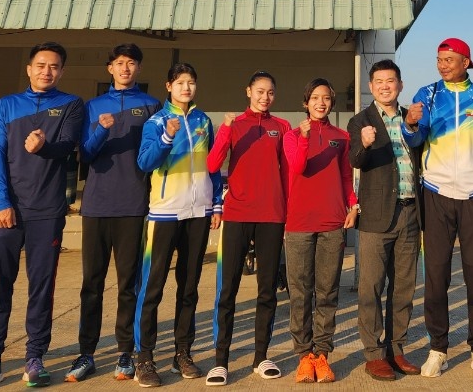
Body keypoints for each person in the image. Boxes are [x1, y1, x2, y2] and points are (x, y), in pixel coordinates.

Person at [0, 42, 85, 391]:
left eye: (54, 66)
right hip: (7, 210)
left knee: (41, 287)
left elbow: (67, 146)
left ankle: (35, 357)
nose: (47, 71)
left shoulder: (71, 104)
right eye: (41, 65)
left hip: (47, 211)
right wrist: (1, 201)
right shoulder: (7, 104)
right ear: (29, 69)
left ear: (61, 72)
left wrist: (43, 147)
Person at [64, 44, 161, 383]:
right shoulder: (92, 106)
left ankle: (125, 351)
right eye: (119, 63)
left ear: (139, 68)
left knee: (127, 285)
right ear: (110, 68)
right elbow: (85, 155)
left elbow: (155, 156)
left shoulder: (150, 106)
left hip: (133, 206)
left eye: (131, 63)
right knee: (91, 283)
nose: (125, 68)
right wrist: (101, 129)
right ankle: (86, 352)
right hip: (96, 205)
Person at [404, 38, 473, 380]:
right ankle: (438, 349)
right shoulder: (428, 94)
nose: (442, 65)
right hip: (436, 193)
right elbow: (415, 140)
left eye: (449, 59)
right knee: (436, 275)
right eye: (439, 59)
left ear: (465, 62)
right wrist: (411, 124)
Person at [133, 62, 223, 387]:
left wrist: (216, 203)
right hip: (164, 214)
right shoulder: (156, 121)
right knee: (152, 287)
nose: (186, 87)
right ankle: (144, 357)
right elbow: (145, 162)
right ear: (168, 86)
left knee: (189, 288)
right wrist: (167, 137)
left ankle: (182, 353)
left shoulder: (203, 121)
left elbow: (212, 164)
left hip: (198, 214)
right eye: (180, 82)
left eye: (191, 82)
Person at [204, 71, 291, 385]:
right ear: (248, 92)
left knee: (267, 290)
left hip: (271, 216)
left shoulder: (282, 126)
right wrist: (226, 129)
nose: (265, 97)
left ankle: (261, 357)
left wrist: (287, 213)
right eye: (260, 91)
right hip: (238, 214)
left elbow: (287, 174)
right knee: (228, 290)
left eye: (270, 92)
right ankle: (221, 361)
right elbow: (213, 164)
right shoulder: (234, 124)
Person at [347, 60, 422, 382]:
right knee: (371, 287)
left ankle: (396, 349)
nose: (385, 86)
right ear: (371, 86)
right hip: (377, 215)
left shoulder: (411, 118)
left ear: (400, 85)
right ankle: (374, 354)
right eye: (378, 81)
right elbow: (354, 159)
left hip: (410, 211)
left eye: (390, 80)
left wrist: (415, 126)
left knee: (404, 287)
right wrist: (364, 144)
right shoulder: (360, 121)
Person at [284, 78, 359, 383]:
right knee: (300, 292)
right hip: (299, 223)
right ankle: (304, 355)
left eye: (326, 98)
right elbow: (298, 167)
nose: (321, 103)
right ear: (306, 102)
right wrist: (303, 137)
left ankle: (322, 354)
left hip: (332, 222)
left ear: (331, 102)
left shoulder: (341, 137)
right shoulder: (291, 136)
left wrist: (353, 205)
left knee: (327, 292)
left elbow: (345, 176)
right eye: (315, 97)